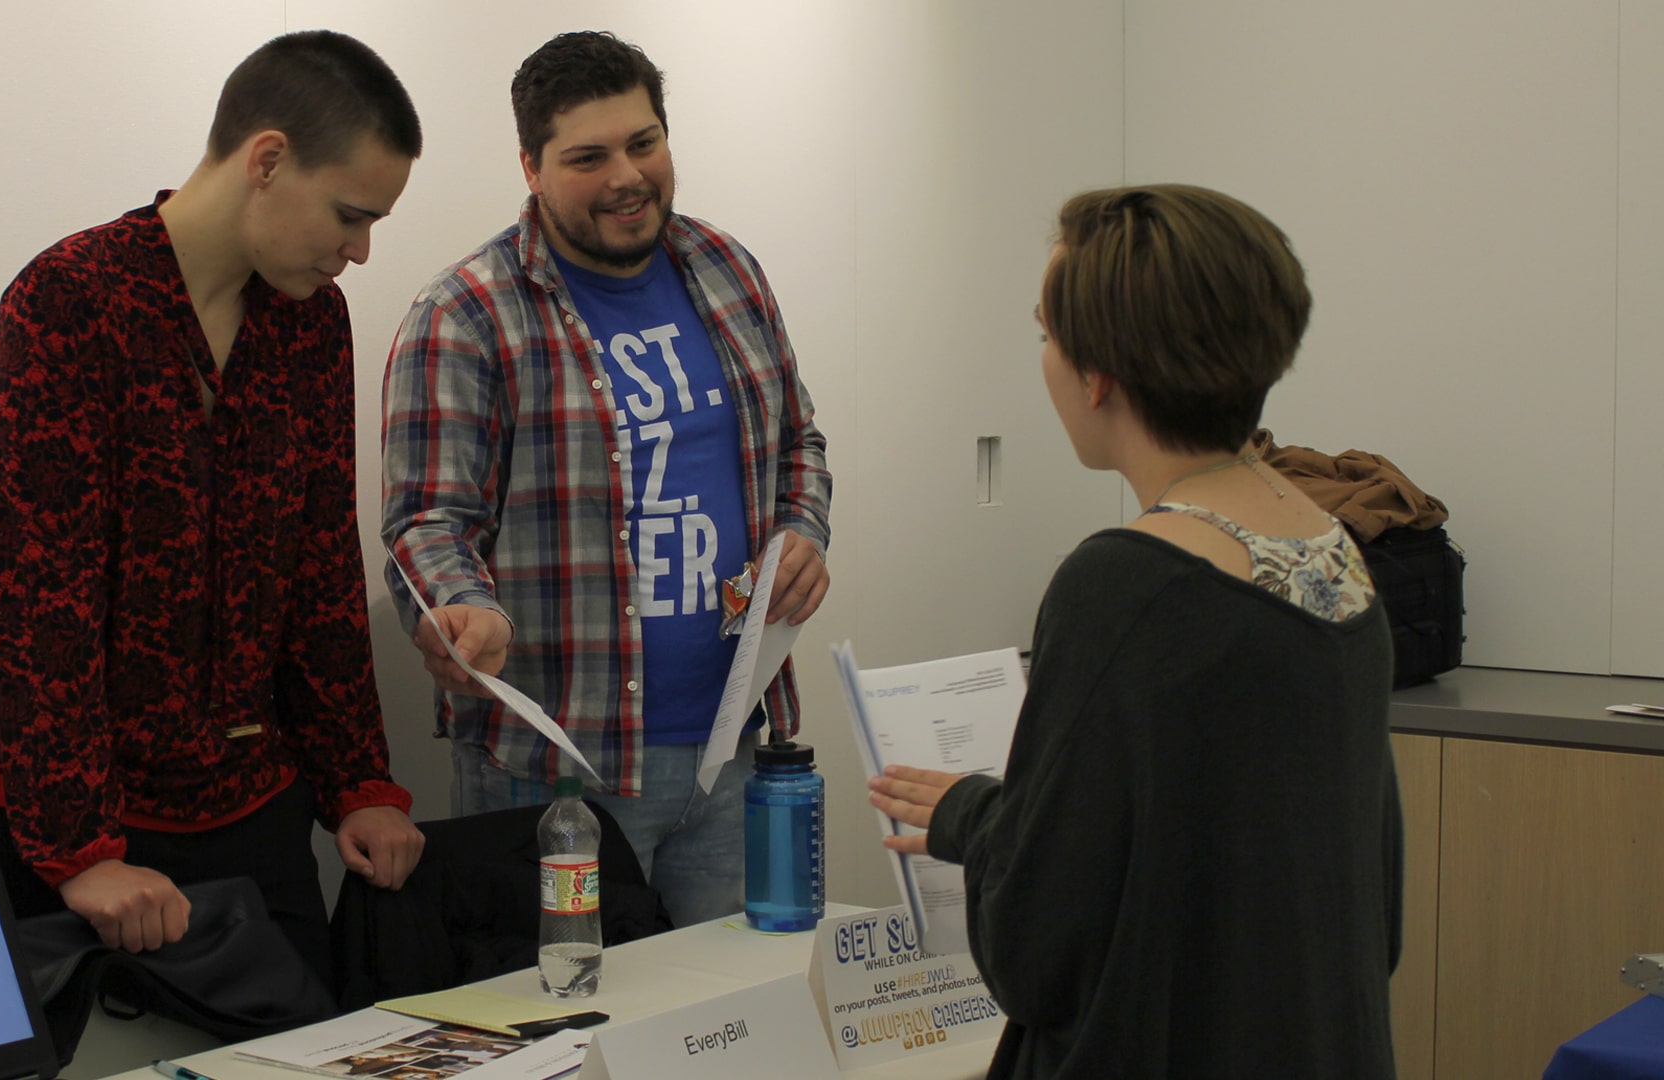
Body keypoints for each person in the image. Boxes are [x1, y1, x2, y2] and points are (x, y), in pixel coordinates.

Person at [867, 185, 1403, 1078]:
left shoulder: (1125, 584)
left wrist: (977, 817)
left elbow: (1039, 947)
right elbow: (1350, 900)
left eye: (1046, 334)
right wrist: (994, 815)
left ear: (1099, 374)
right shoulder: (1332, 549)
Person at [0, 30, 426, 993]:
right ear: (267, 159)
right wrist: (81, 851)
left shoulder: (309, 324)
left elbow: (320, 571)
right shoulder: (69, 301)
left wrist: (357, 785)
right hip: (67, 821)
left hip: (247, 801)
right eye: (350, 214)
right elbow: (46, 591)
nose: (362, 251)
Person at [381, 31, 832, 926]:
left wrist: (805, 533)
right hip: (558, 777)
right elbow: (428, 520)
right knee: (570, 1040)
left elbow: (799, 442)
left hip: (733, 747)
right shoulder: (464, 313)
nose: (628, 175)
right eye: (588, 157)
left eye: (644, 143)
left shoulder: (728, 269)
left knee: (731, 1032)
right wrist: (462, 609)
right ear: (532, 166)